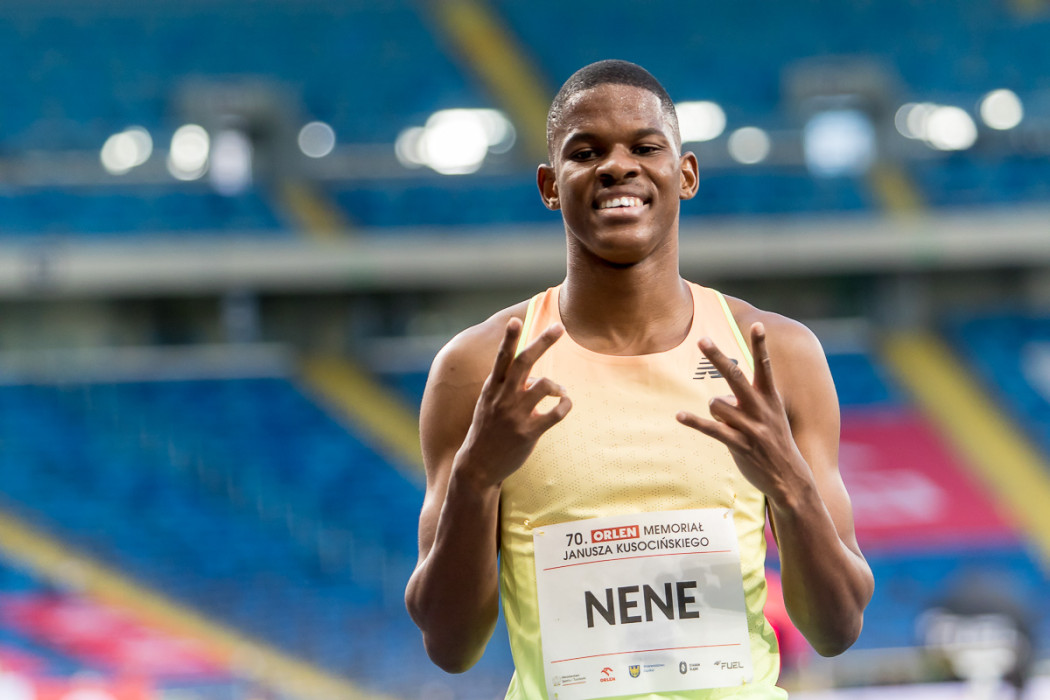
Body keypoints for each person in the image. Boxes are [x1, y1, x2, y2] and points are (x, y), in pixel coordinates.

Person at [405, 59, 873, 699]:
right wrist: (477, 477)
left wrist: (789, 486)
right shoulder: (478, 368)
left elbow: (837, 629)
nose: (616, 166)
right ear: (549, 185)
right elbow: (450, 646)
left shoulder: (777, 356)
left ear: (687, 174)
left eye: (645, 147)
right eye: (586, 152)